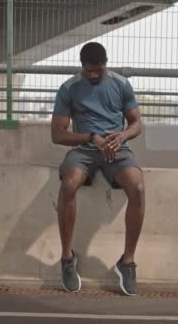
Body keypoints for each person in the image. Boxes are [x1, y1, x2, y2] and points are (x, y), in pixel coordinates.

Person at [51, 42, 145, 296]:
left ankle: (127, 262)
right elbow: (57, 134)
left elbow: (137, 123)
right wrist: (91, 137)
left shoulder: (121, 84)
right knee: (69, 184)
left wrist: (122, 136)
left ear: (106, 64)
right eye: (89, 71)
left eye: (98, 70)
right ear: (82, 67)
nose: (93, 75)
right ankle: (67, 258)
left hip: (117, 149)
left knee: (137, 187)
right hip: (85, 149)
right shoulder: (69, 88)